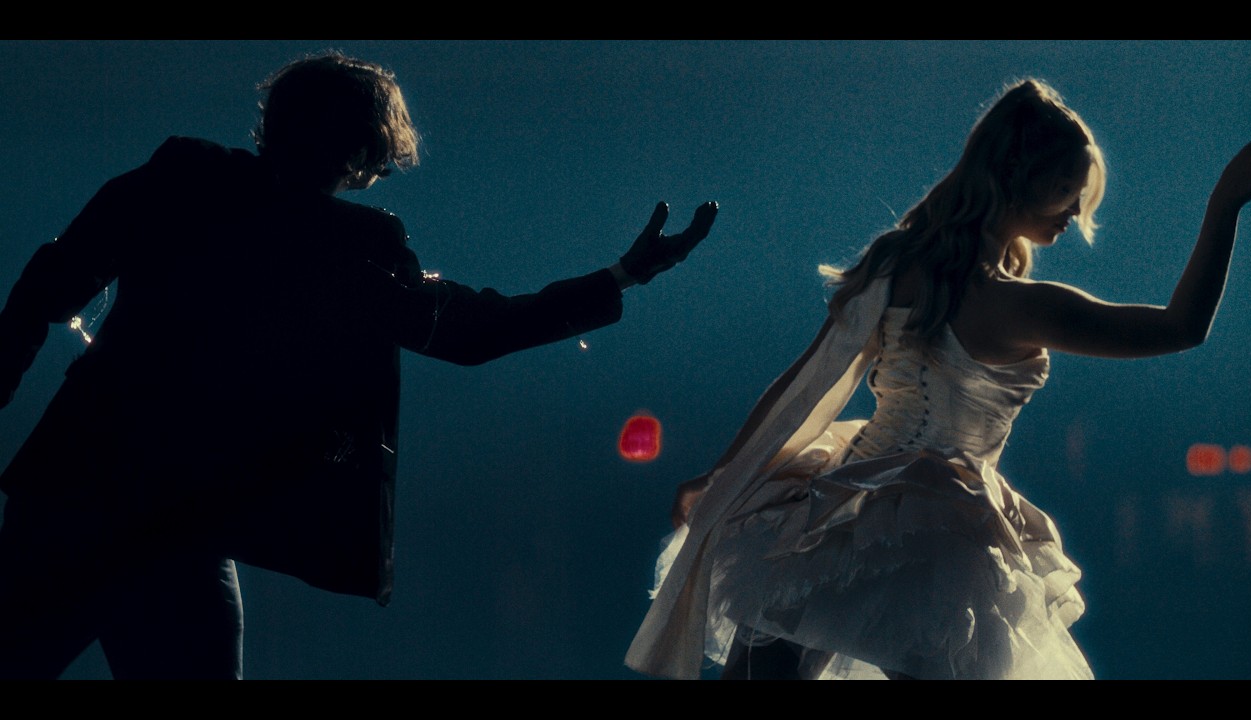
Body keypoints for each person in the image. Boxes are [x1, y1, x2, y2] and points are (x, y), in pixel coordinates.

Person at [0, 52, 717, 679]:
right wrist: (621, 277)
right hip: (180, 528)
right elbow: (468, 331)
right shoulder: (353, 243)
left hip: (72, 494)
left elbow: (45, 287)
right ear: (364, 151)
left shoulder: (180, 175)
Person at [625, 78, 1251, 680]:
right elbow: (1181, 327)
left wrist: (726, 473)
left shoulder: (898, 264)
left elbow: (802, 386)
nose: (1075, 210)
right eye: (1065, 188)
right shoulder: (1020, 307)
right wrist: (1224, 206)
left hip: (838, 504)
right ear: (1017, 179)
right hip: (936, 531)